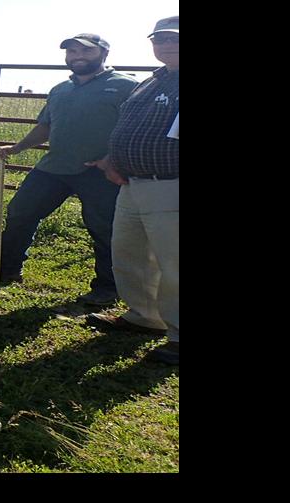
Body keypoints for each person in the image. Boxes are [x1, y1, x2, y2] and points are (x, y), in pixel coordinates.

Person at [0, 33, 138, 306]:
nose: (77, 56)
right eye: (72, 51)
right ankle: (5, 267)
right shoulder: (60, 89)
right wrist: (18, 147)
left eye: (85, 52)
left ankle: (108, 288)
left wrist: (112, 158)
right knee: (20, 211)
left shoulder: (126, 86)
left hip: (99, 170)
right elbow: (46, 127)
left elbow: (135, 127)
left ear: (103, 54)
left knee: (103, 227)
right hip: (55, 166)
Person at [85, 16, 179, 365]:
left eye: (175, 39)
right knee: (130, 255)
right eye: (160, 39)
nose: (166, 45)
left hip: (170, 184)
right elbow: (132, 126)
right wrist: (113, 158)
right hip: (133, 183)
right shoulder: (153, 81)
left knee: (175, 263)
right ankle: (144, 317)